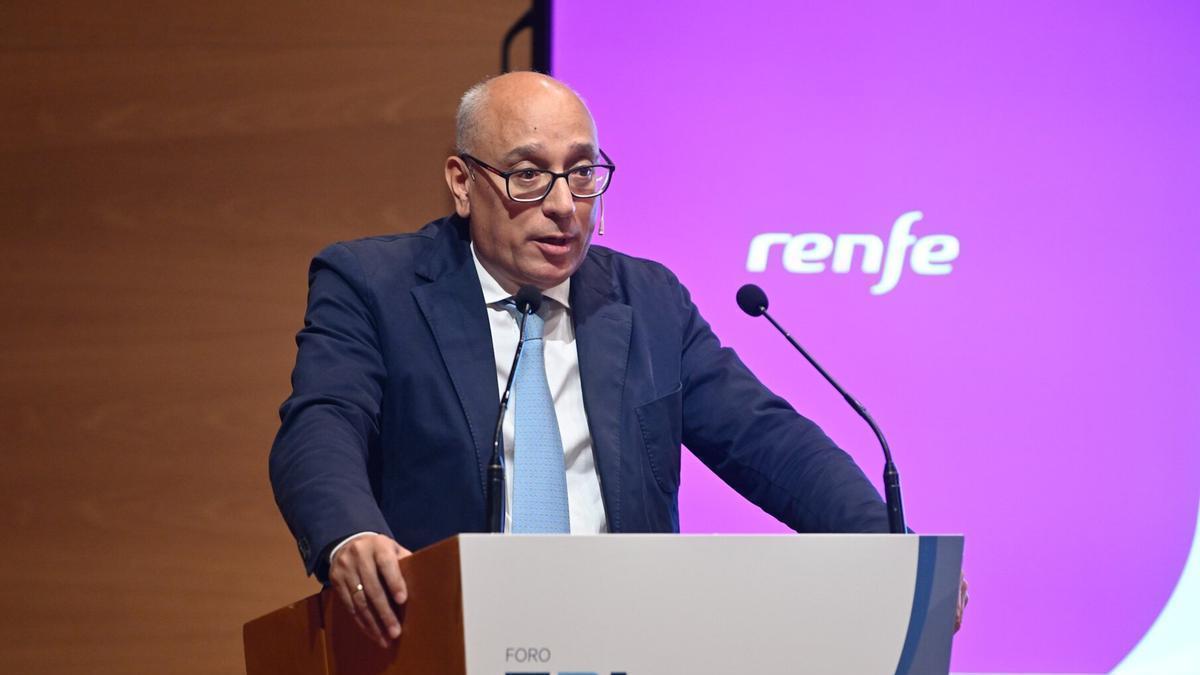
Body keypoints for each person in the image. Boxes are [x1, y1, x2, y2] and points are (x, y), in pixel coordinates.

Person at [269, 71, 965, 648]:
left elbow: (766, 439)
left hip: (625, 641)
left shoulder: (648, 300)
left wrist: (890, 550)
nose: (565, 206)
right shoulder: (374, 286)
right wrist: (351, 534)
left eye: (581, 173)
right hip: (442, 641)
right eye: (528, 176)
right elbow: (321, 424)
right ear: (461, 181)